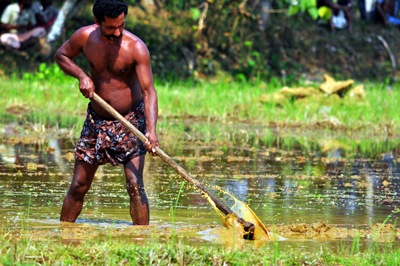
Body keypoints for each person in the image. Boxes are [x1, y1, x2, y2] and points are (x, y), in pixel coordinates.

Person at [54, 0, 159, 225]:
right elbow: (61, 56)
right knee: (79, 185)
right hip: (96, 119)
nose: (117, 32)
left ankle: (141, 240)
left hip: (131, 120)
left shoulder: (136, 47)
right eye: (111, 28)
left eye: (121, 25)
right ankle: (63, 235)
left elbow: (149, 91)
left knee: (134, 184)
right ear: (97, 22)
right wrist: (82, 76)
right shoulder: (84, 37)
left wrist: (151, 131)